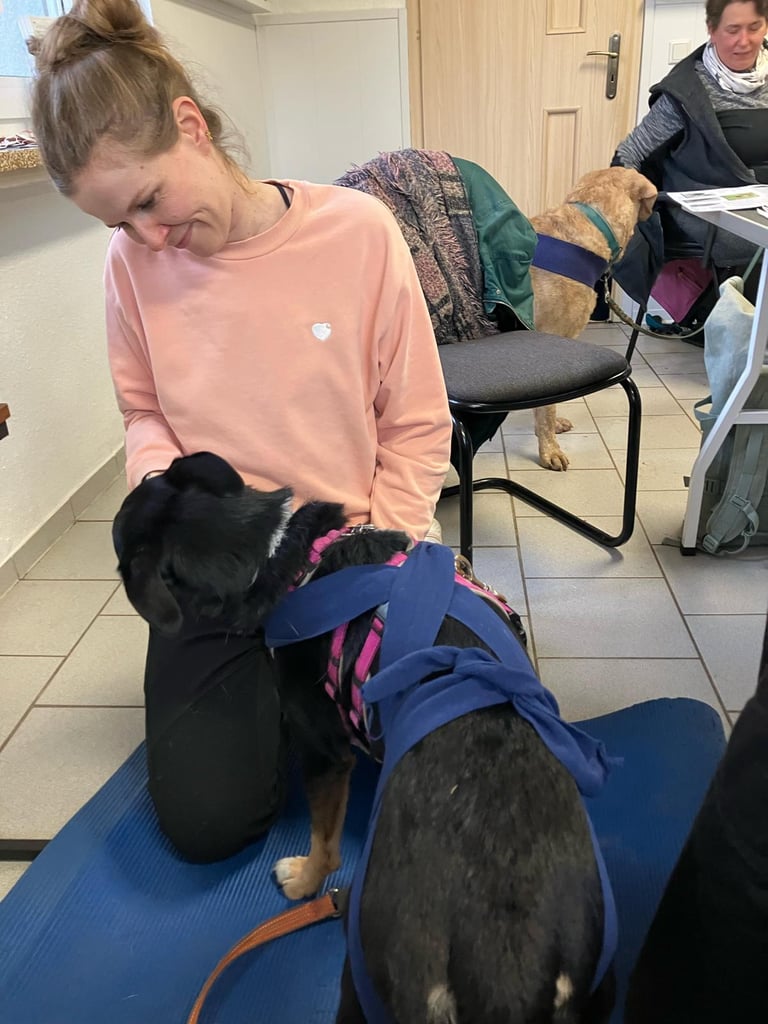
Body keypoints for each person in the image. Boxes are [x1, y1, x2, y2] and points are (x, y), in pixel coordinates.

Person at [28, 0, 452, 862]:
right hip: (221, 569)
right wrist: (166, 501)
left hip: (352, 549)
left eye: (149, 199)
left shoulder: (358, 234)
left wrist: (381, 551)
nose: (149, 236)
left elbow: (414, 424)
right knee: (208, 825)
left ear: (191, 127)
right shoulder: (132, 265)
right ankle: (268, 686)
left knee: (456, 766)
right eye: (120, 223)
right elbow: (143, 411)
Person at [611, 0, 768, 308]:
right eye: (732, 30)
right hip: (705, 204)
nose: (744, 41)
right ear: (711, 30)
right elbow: (628, 155)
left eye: (754, 28)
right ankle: (744, 344)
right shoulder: (686, 92)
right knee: (760, 243)